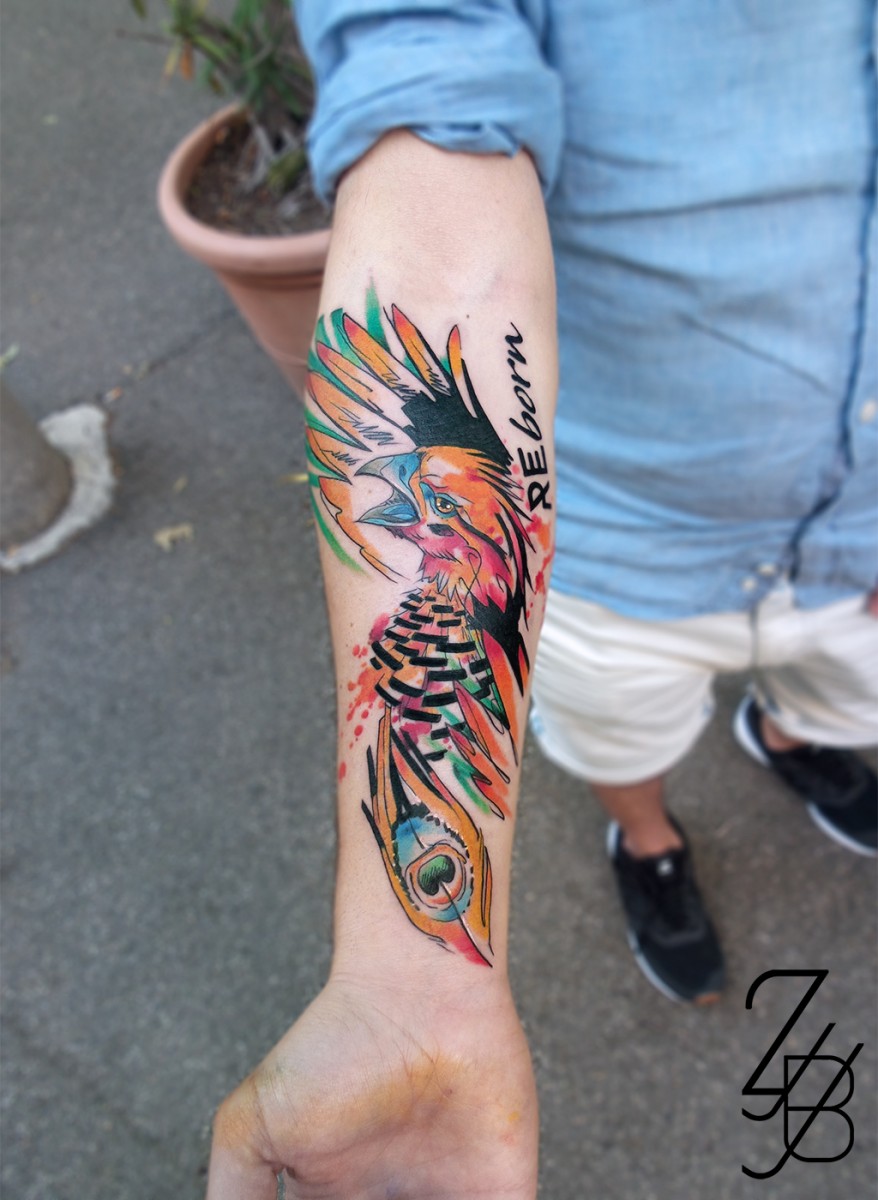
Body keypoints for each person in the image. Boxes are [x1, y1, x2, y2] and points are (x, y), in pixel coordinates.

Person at [206, 2, 877, 1196]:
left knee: (832, 699)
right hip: (620, 557)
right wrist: (414, 982)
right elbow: (434, 236)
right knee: (619, 737)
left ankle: (785, 738)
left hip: (858, 547)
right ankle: (648, 841)